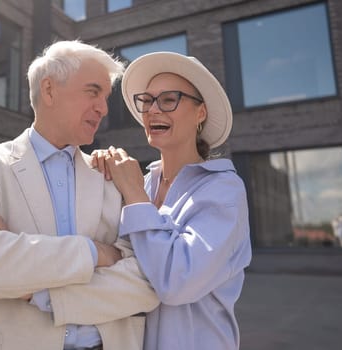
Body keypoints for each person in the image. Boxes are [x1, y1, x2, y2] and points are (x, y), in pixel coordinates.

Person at [0, 40, 158, 350]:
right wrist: (96, 254)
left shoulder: (111, 175)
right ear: (49, 90)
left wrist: (34, 287)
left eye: (105, 96)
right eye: (92, 91)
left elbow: (148, 280)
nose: (103, 108)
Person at [92, 52, 252, 350]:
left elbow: (178, 282)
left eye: (168, 100)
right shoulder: (144, 182)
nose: (153, 110)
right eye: (147, 101)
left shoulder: (224, 190)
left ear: (200, 112)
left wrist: (133, 194)